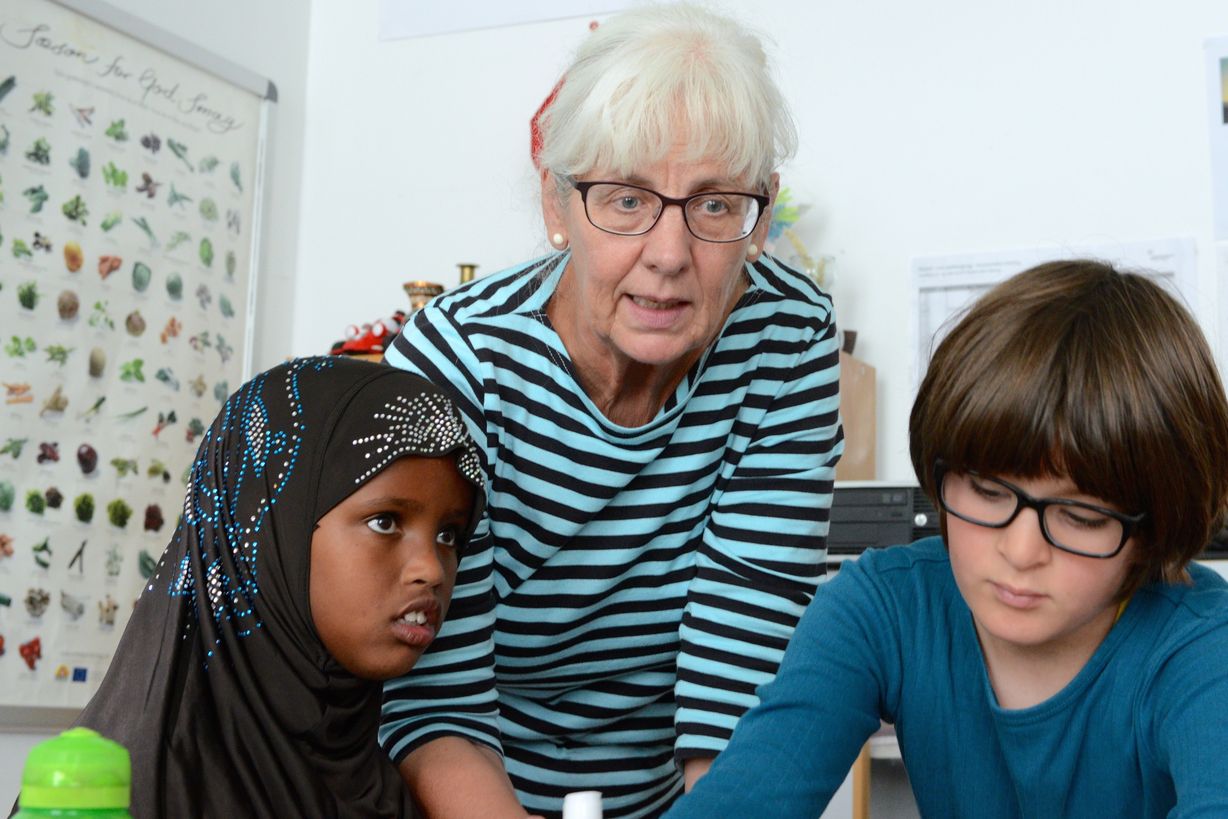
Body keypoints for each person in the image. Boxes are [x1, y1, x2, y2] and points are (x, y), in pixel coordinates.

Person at [380, 4, 844, 816]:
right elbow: (435, 693)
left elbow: (739, 658)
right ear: (557, 206)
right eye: (626, 200)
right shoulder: (457, 362)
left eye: (713, 205)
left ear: (760, 216)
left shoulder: (789, 337)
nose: (668, 256)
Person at [664, 260, 1228, 817]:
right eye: (986, 490)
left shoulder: (1203, 647)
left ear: (1153, 526)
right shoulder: (881, 607)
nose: (1021, 551)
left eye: (1080, 516)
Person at [63, 357, 485, 818]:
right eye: (385, 521)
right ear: (271, 534)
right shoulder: (123, 792)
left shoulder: (377, 786)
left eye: (449, 534)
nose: (432, 568)